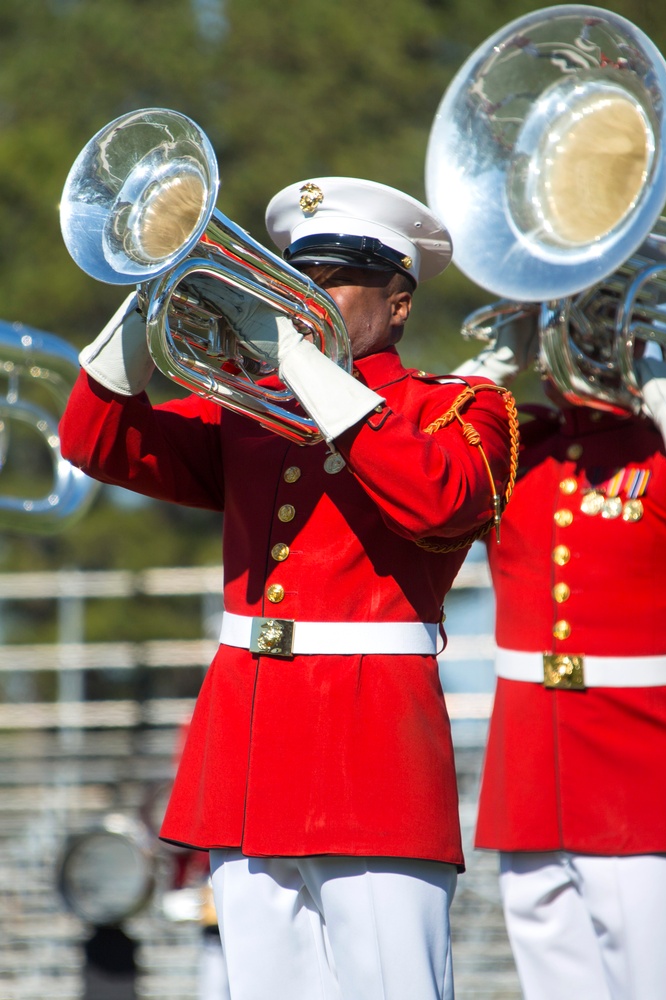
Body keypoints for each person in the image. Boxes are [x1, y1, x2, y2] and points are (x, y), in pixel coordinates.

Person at [59, 177, 518, 1000]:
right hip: (247, 748)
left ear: (399, 301)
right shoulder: (255, 413)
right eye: (295, 278)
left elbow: (438, 497)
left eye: (334, 279)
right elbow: (96, 441)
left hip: (373, 748)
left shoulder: (456, 409)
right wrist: (156, 288)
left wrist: (302, 362)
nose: (307, 299)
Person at [454, 326, 666, 999]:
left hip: (649, 779)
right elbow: (413, 459)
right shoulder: (520, 444)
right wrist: (491, 364)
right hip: (533, 775)